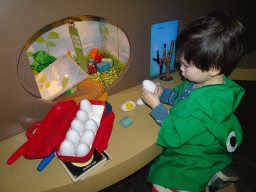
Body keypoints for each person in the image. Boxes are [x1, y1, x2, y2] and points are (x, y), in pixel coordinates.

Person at [141, 11, 246, 192]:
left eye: (186, 65)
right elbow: (180, 97)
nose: (180, 69)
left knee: (163, 180)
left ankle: (201, 181)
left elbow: (173, 133)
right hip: (208, 147)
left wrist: (156, 105)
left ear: (213, 68)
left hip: (193, 155)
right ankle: (211, 175)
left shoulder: (204, 105)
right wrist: (163, 93)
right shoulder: (200, 83)